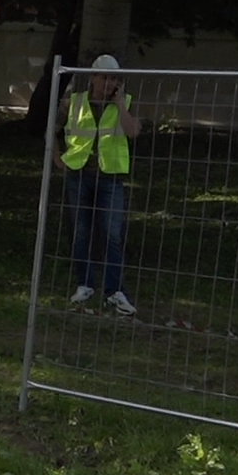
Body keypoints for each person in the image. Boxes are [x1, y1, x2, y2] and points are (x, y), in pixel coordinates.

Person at [56, 53, 141, 315]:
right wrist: (54, 157)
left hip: (111, 176)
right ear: (93, 77)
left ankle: (114, 291)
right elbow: (54, 126)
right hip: (79, 172)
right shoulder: (75, 102)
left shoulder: (123, 102)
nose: (108, 82)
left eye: (113, 78)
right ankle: (85, 284)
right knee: (81, 231)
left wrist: (119, 106)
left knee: (112, 234)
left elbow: (133, 131)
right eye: (104, 77)